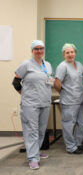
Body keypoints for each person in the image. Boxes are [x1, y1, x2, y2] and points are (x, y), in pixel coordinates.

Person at [12, 40, 53, 170]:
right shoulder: (26, 64)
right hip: (30, 104)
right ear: (32, 51)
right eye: (36, 49)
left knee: (41, 130)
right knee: (32, 131)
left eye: (41, 48)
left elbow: (49, 81)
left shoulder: (47, 64)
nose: (39, 51)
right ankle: (33, 158)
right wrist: (24, 95)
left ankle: (36, 151)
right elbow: (16, 83)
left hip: (45, 102)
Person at [54, 43, 83, 154]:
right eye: (67, 52)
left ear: (75, 53)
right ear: (63, 54)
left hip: (79, 100)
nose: (70, 54)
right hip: (68, 101)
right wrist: (64, 93)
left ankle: (78, 143)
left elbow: (80, 81)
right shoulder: (62, 66)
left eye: (72, 52)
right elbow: (57, 83)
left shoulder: (79, 65)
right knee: (68, 124)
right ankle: (71, 147)